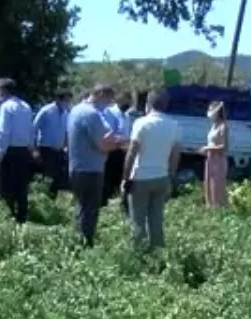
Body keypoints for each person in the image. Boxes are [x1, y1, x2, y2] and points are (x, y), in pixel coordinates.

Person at [67, 85, 122, 247]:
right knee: (90, 209)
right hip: (90, 169)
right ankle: (85, 245)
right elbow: (103, 145)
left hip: (78, 167)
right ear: (99, 94)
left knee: (82, 207)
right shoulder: (91, 114)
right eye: (108, 99)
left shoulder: (76, 110)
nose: (109, 103)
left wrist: (112, 140)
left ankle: (78, 242)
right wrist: (119, 145)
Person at [123, 103, 181, 250]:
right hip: (161, 177)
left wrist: (126, 178)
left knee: (137, 220)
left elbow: (132, 152)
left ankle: (139, 255)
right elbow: (175, 156)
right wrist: (170, 178)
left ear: (148, 105)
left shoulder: (141, 123)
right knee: (156, 220)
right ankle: (158, 254)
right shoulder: (174, 125)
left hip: (141, 177)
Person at [0, 78, 34, 224]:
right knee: (21, 188)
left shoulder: (6, 107)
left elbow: (4, 132)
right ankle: (22, 218)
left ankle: (8, 220)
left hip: (9, 152)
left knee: (6, 188)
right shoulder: (26, 106)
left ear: (3, 90)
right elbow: (30, 130)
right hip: (24, 152)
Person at [33, 89, 72, 198]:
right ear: (58, 99)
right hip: (46, 149)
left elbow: (66, 132)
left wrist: (66, 147)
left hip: (59, 150)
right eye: (66, 100)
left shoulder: (66, 112)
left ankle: (52, 202)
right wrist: (34, 149)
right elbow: (34, 129)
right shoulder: (46, 111)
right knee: (47, 178)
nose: (67, 102)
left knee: (57, 180)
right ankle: (43, 200)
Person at [202, 100, 230, 208]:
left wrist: (207, 148)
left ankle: (220, 208)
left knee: (217, 186)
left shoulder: (223, 126)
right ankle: (210, 208)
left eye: (210, 110)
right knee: (208, 184)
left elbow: (225, 147)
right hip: (210, 159)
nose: (208, 112)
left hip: (219, 160)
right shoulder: (213, 125)